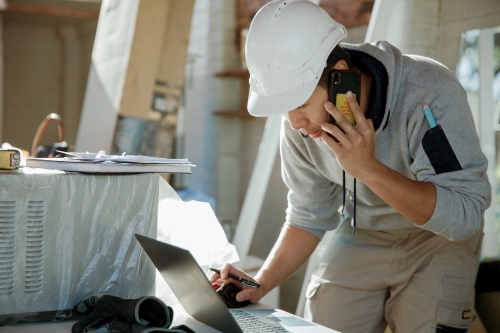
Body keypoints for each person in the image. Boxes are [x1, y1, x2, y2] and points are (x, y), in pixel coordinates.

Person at [210, 1, 491, 332]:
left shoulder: (428, 93)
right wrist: (259, 282)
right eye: (285, 108)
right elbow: (308, 214)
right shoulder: (301, 125)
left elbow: (465, 217)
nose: (296, 122)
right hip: (361, 231)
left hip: (436, 241)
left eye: (301, 103)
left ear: (341, 75)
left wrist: (368, 169)